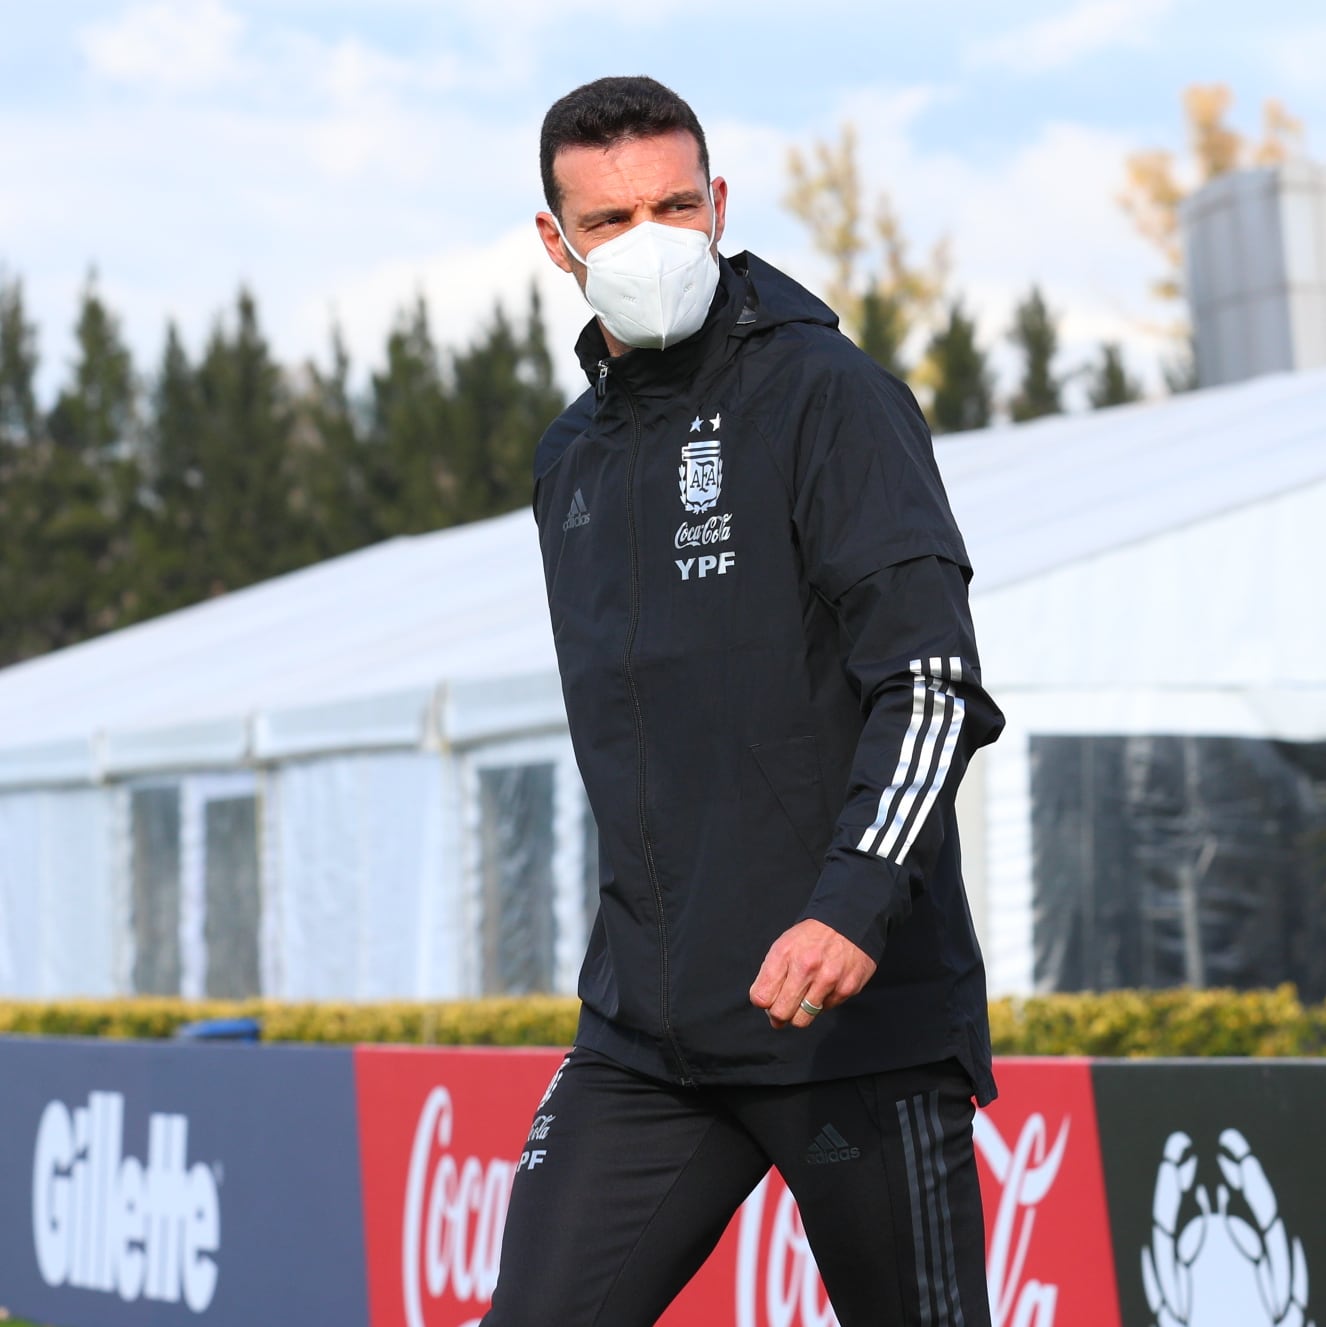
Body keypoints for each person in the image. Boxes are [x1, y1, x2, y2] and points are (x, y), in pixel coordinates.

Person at [482, 75, 1004, 1327]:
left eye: (673, 203)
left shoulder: (830, 397)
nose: (647, 238)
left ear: (719, 205)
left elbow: (931, 686)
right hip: (648, 1036)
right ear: (558, 247)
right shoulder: (572, 458)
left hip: (853, 1024)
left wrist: (850, 906)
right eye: (608, 221)